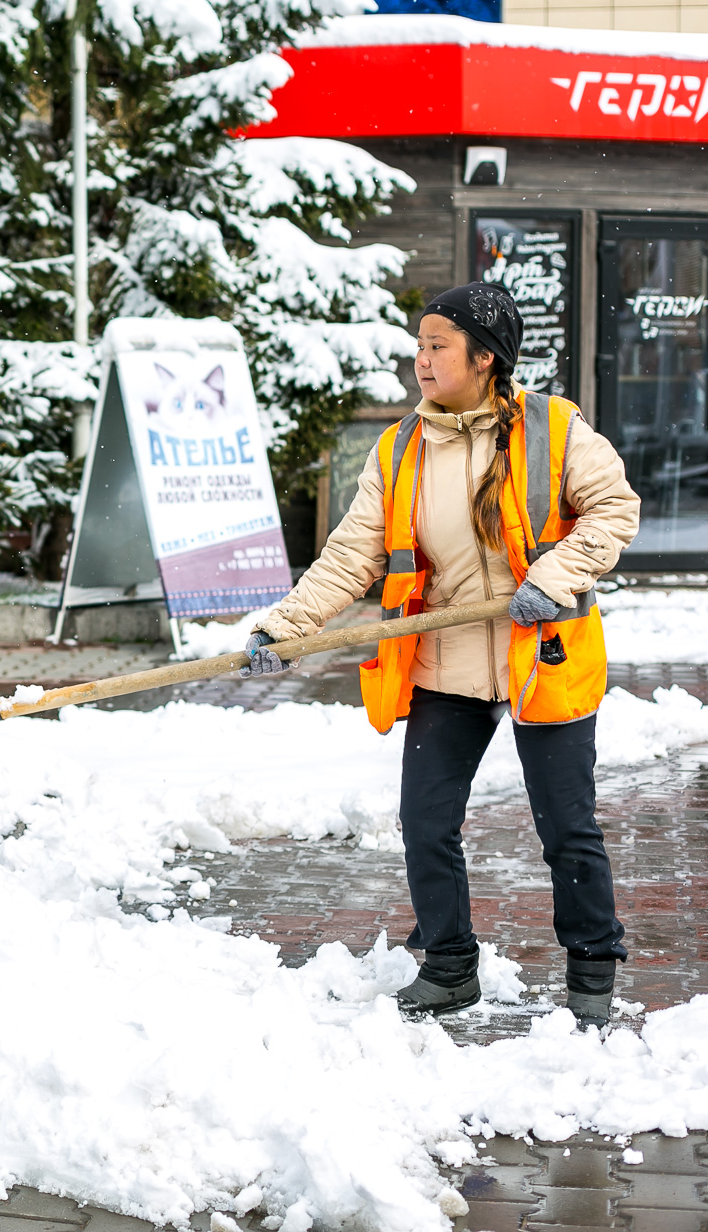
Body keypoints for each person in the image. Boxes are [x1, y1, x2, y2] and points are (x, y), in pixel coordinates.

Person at [245, 283, 641, 1025]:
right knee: (426, 820)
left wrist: (553, 578)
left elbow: (615, 510)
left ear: (484, 359)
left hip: (542, 651)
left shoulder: (554, 429)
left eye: (438, 346)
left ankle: (592, 970)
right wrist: (286, 627)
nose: (421, 360)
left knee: (567, 825)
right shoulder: (400, 450)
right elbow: (351, 554)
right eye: (420, 345)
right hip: (446, 655)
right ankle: (450, 966)